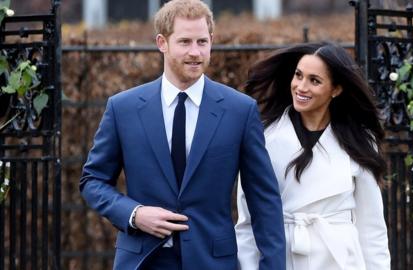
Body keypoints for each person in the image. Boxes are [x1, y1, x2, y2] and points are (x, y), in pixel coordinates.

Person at [79, 1, 286, 269]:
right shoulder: (123, 108)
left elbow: (264, 200)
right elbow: (92, 181)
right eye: (185, 42)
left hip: (211, 262)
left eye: (202, 41)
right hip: (143, 261)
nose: (195, 52)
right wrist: (134, 214)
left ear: (211, 40)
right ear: (162, 42)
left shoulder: (240, 110)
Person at [235, 43, 391, 270]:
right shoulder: (264, 137)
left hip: (339, 259)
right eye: (298, 76)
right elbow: (247, 222)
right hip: (283, 257)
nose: (301, 86)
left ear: (336, 89)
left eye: (314, 80)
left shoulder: (359, 141)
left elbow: (372, 228)